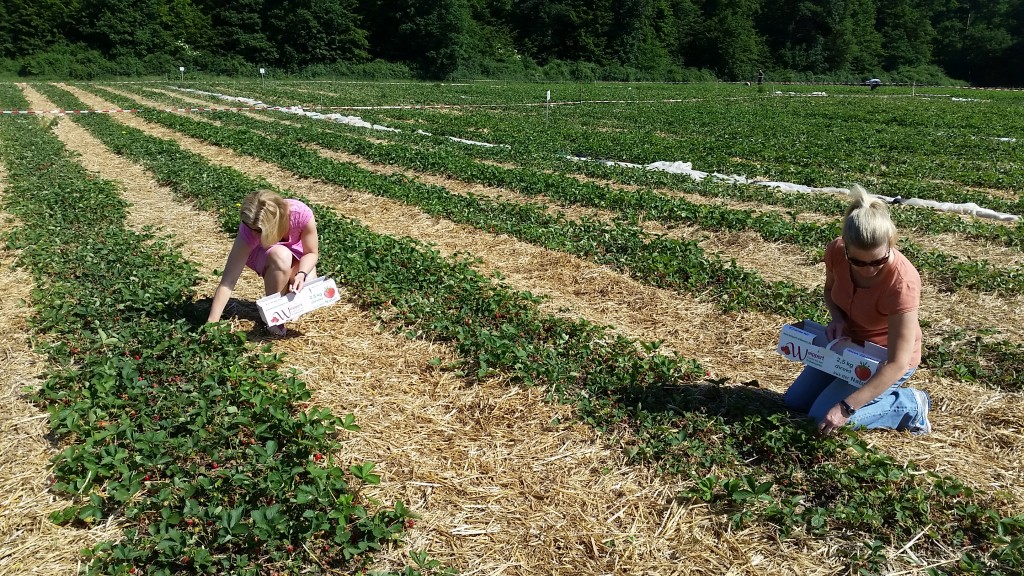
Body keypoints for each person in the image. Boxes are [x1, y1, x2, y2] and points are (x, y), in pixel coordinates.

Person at [783, 184, 931, 435]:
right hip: (849, 347)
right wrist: (837, 318)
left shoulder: (902, 282)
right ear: (846, 247)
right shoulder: (836, 252)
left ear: (890, 244)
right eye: (858, 262)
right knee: (794, 402)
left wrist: (846, 408)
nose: (869, 269)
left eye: (878, 261)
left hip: (883, 358)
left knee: (820, 418)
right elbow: (830, 292)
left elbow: (897, 363)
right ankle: (848, 392)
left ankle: (909, 405)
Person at [207, 189, 319, 336]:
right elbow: (228, 281)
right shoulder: (249, 229)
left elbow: (311, 252)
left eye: (259, 231)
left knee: (308, 285)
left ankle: (285, 302)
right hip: (269, 255)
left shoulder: (300, 214)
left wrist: (301, 274)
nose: (254, 234)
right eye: (251, 229)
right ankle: (274, 313)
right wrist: (212, 322)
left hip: (296, 255)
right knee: (281, 255)